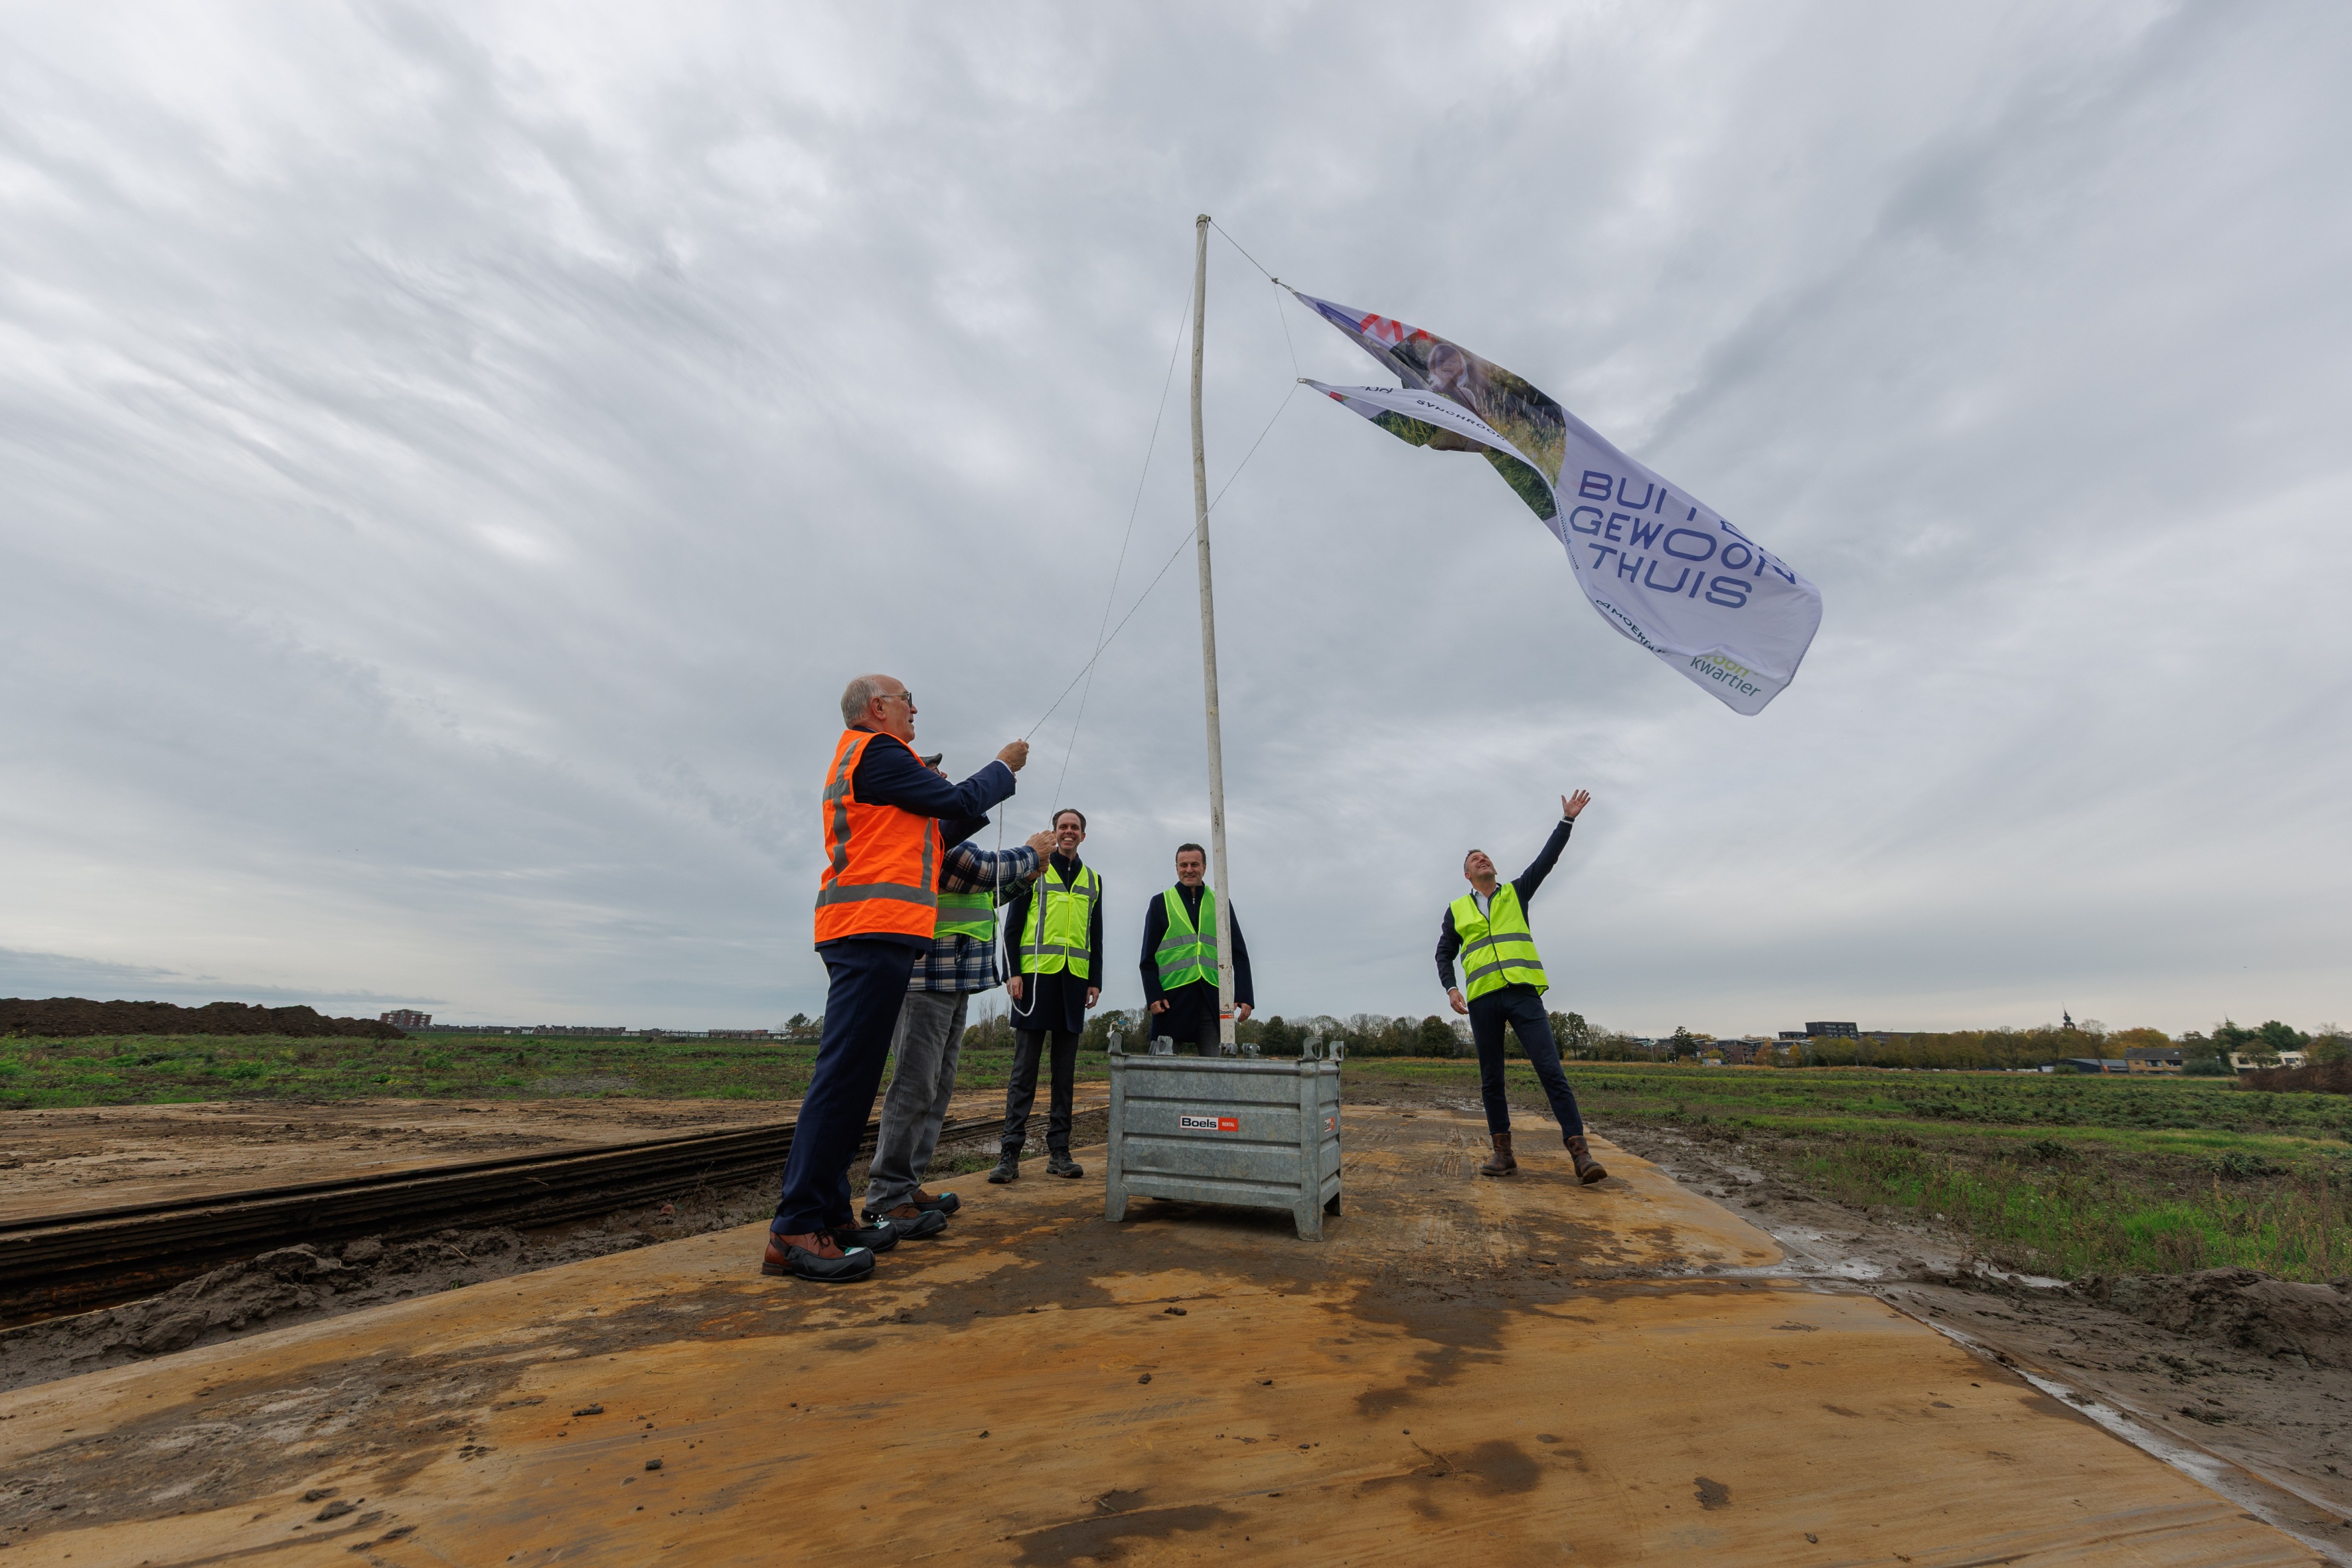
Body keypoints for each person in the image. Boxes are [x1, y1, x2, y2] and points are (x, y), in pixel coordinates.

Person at [763, 674, 1028, 1284]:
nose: (915, 709)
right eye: (907, 699)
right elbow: (956, 803)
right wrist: (1002, 768)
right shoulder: (876, 750)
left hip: (872, 933)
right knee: (842, 1081)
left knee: (854, 1083)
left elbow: (935, 832)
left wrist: (975, 798)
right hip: (869, 932)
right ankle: (795, 1227)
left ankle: (829, 1216)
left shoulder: (872, 764)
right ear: (877, 708)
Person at [861, 752, 1056, 1233]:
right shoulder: (924, 836)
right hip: (924, 979)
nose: (943, 781)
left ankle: (906, 1186)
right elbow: (975, 870)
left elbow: (982, 894)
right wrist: (1031, 853)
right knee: (913, 1087)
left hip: (952, 980)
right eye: (935, 776)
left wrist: (1025, 876)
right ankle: (887, 1196)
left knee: (936, 1086)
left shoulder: (937, 834)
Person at [1435, 791, 1608, 1184]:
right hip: (1482, 1003)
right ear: (1467, 875)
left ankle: (1581, 1155)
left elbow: (1547, 860)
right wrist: (1451, 989)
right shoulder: (1457, 910)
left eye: (1486, 857)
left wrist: (1567, 821)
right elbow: (1443, 953)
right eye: (1475, 860)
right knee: (1492, 1078)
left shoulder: (1515, 892)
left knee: (1551, 1071)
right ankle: (1503, 1154)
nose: (1483, 859)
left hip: (1523, 994)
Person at [989, 807, 1101, 1183]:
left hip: (1074, 983)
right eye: (1062, 827)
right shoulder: (1034, 870)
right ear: (1053, 834)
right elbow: (1012, 928)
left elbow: (1095, 937)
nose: (1068, 832)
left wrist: (1094, 980)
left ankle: (1060, 1153)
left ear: (1083, 836)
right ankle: (1009, 1155)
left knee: (1064, 1074)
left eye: (1075, 828)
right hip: (1034, 982)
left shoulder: (1093, 880)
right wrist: (1013, 973)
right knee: (1024, 1071)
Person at [1139, 842, 1253, 1054]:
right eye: (1183, 865)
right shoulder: (1160, 903)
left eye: (1194, 864)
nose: (1189, 870)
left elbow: (1239, 952)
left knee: (1217, 1070)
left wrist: (1245, 994)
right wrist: (1153, 995)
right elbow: (1147, 958)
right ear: (1176, 868)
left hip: (1212, 1000)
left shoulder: (1220, 903)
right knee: (1160, 1072)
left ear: (1205, 868)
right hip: (1170, 1001)